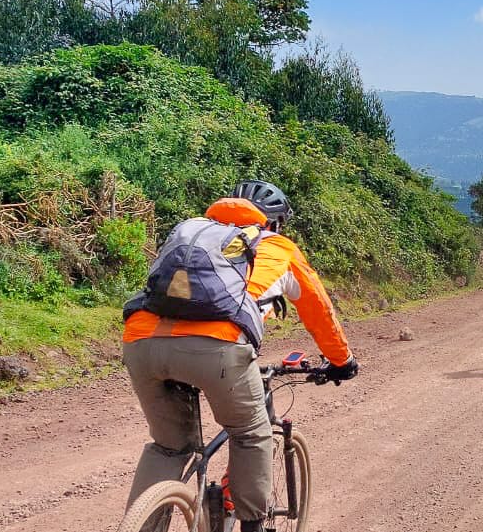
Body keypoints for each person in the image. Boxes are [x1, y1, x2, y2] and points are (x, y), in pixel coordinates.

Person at [121, 179, 358, 532]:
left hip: (141, 341)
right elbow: (319, 311)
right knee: (249, 433)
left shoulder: (195, 234)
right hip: (218, 348)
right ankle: (252, 526)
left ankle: (143, 526)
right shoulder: (278, 247)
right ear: (275, 222)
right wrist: (342, 361)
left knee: (169, 447)